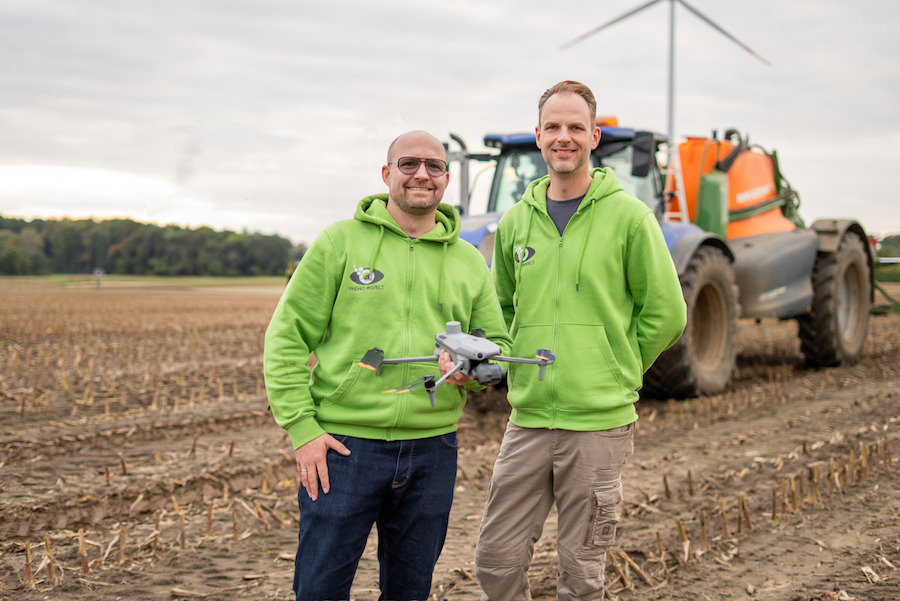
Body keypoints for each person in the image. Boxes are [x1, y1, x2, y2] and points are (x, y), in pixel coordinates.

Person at [264, 130, 512, 601]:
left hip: (432, 450)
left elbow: (495, 345)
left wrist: (470, 371)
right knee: (319, 590)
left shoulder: (468, 260)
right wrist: (303, 429)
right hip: (344, 449)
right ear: (386, 174)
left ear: (445, 180)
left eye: (434, 166)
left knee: (409, 592)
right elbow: (286, 337)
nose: (422, 174)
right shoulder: (340, 242)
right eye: (409, 164)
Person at [474, 81, 687, 600]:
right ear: (539, 136)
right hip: (527, 421)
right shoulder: (516, 222)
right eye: (553, 127)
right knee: (495, 562)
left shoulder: (630, 217)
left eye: (575, 127)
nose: (563, 137)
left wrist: (618, 367)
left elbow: (666, 311)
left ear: (593, 136)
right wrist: (504, 361)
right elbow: (501, 307)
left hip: (597, 424)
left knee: (581, 572)